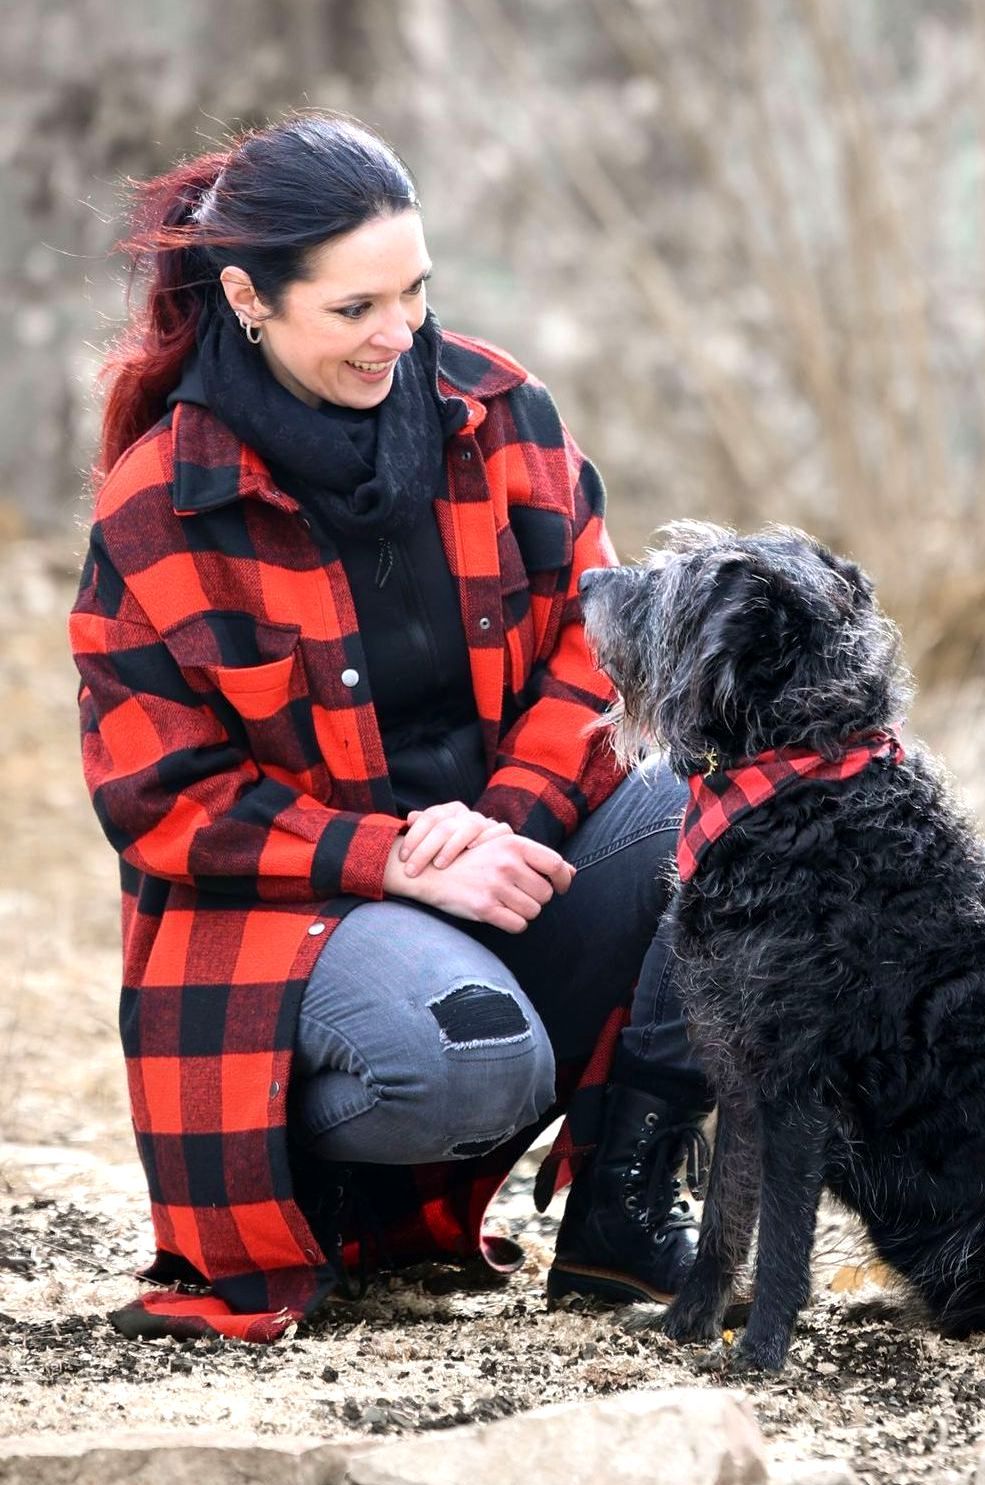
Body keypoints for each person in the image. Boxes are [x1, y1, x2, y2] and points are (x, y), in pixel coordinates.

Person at [69, 112, 712, 1342]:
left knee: (728, 822)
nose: (398, 334)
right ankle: (314, 1194)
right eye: (354, 309)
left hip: (498, 864)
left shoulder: (500, 411)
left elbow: (597, 657)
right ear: (250, 298)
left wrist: (494, 830)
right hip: (300, 920)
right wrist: (393, 858)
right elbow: (161, 800)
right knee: (474, 1064)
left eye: (413, 292)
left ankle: (620, 1223)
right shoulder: (163, 507)